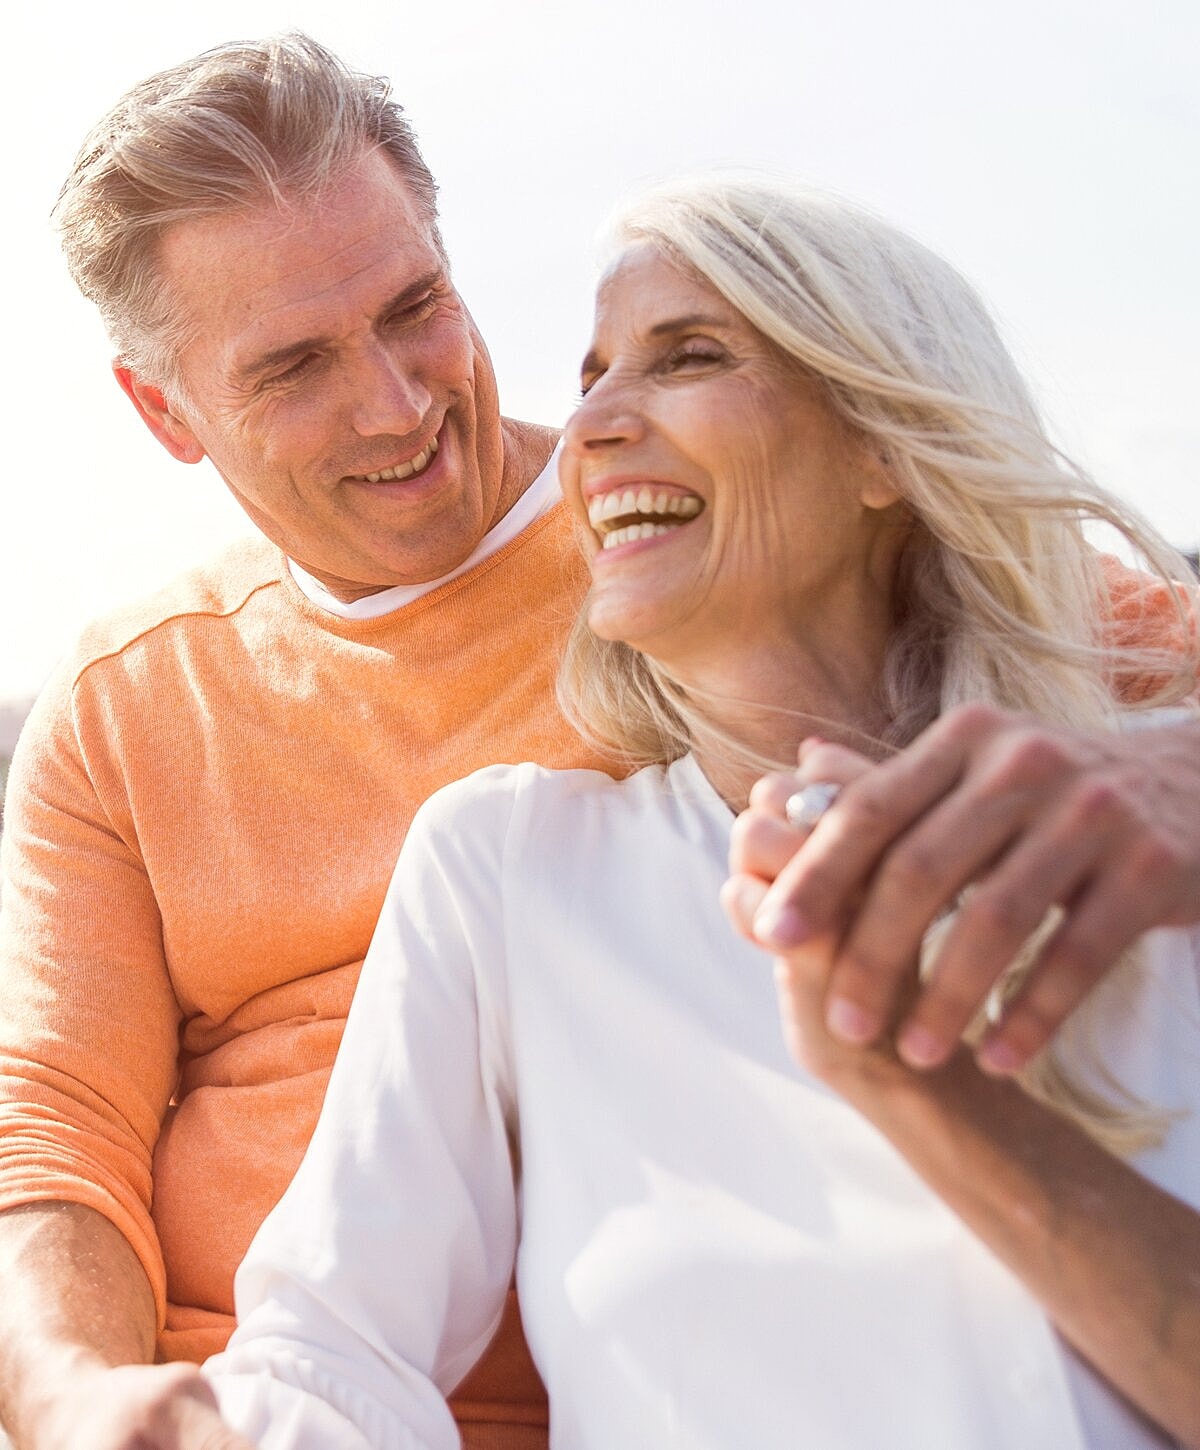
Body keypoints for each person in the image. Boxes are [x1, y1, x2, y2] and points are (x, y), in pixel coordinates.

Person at [0, 30, 1196, 1450]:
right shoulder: (134, 703)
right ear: (166, 411)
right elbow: (53, 1122)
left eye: (415, 305)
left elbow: (1032, 617)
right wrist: (75, 1396)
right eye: (294, 367)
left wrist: (1176, 754)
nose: (396, 403)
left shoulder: (701, 531)